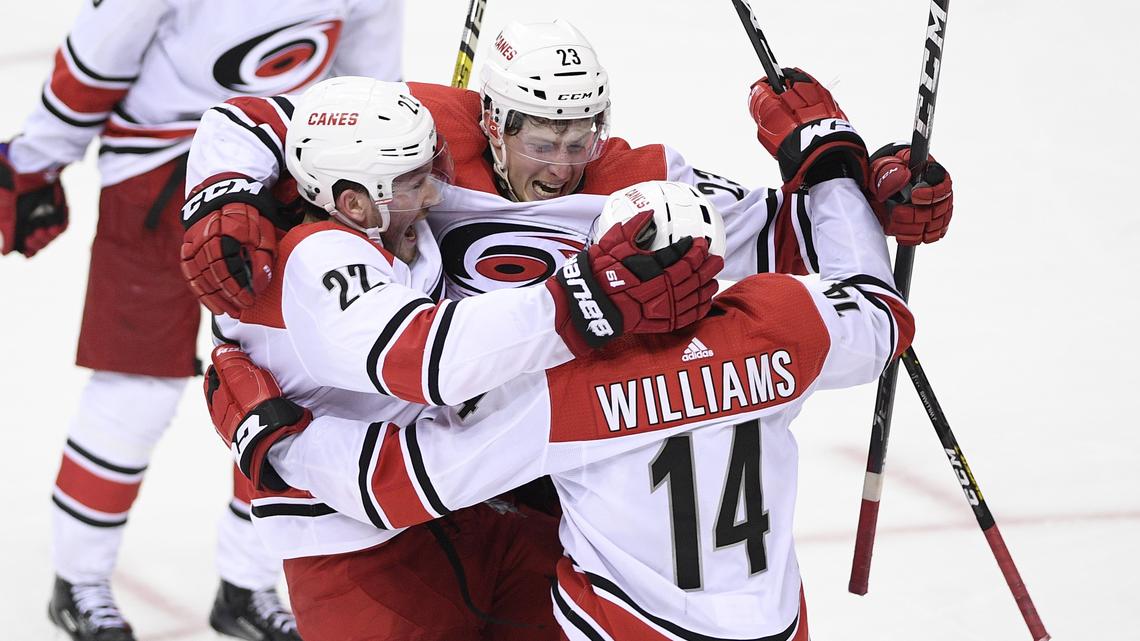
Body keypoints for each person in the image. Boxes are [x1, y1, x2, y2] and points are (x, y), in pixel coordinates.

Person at [203, 175, 915, 641]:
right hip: (778, 627)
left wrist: (274, 435)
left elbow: (397, 484)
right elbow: (885, 315)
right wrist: (831, 159)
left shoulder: (571, 381)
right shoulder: (788, 317)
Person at [186, 75, 721, 641]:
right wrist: (591, 297)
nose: (440, 196)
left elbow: (264, 121)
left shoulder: (396, 229)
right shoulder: (317, 258)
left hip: (471, 508)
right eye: (416, 181)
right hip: (361, 548)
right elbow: (426, 359)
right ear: (353, 202)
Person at [0, 1, 405, 639]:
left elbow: (372, 87)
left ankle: (248, 584)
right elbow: (95, 58)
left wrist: (391, 173)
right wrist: (33, 160)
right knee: (137, 391)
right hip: (160, 172)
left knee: (289, 390)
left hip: (288, 178)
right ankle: (77, 580)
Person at [180, 18, 953, 320]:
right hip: (427, 423)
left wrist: (859, 178)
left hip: (558, 461)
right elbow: (257, 116)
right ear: (492, 121)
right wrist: (222, 194)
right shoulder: (428, 129)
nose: (561, 168)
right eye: (541, 142)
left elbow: (790, 238)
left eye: (580, 139)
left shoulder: (642, 176)